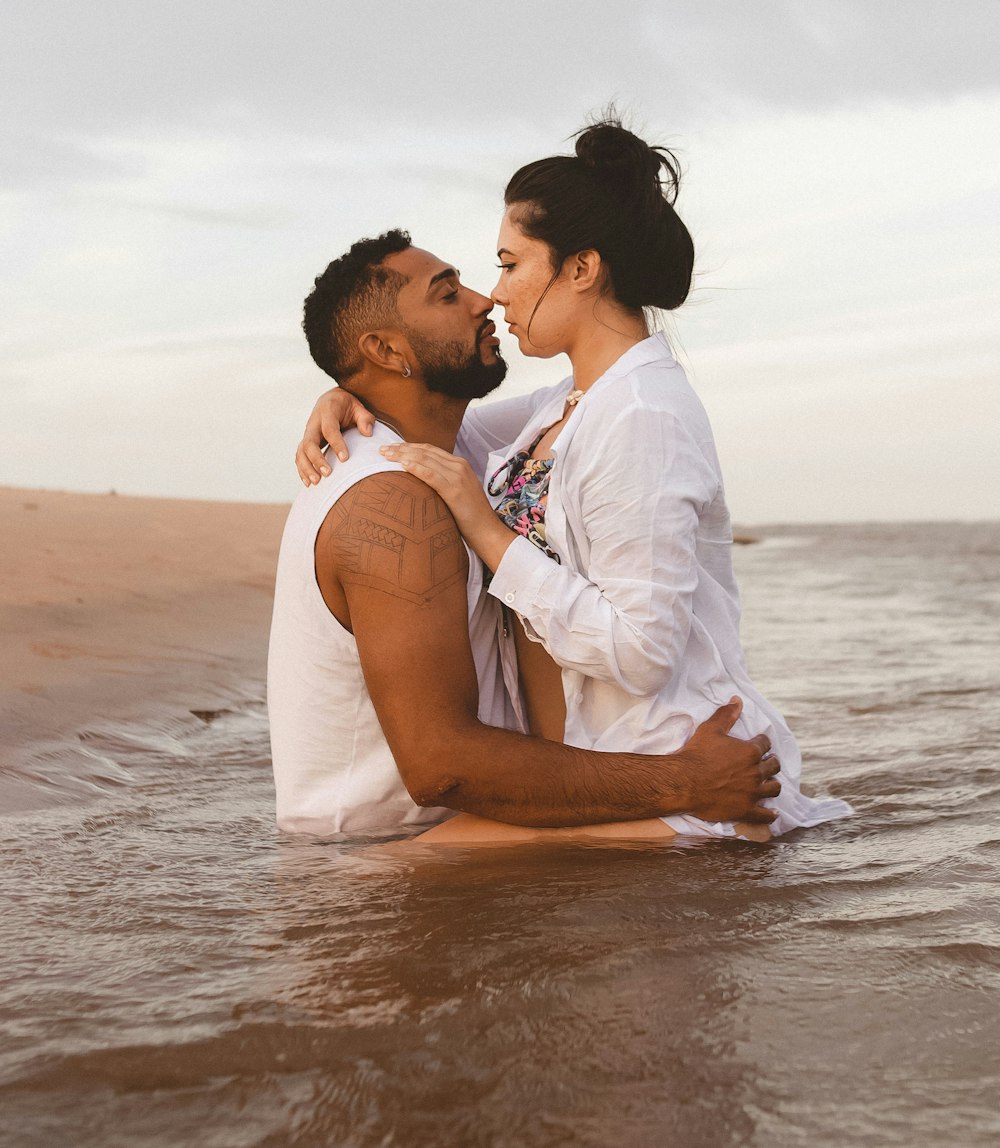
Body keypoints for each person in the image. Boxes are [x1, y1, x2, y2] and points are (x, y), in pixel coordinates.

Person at [297, 119, 852, 844]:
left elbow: (642, 654)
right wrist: (349, 395)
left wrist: (490, 535)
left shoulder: (643, 415)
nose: (495, 294)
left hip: (682, 773)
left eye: (509, 263)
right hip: (612, 771)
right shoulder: (569, 404)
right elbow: (438, 428)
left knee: (371, 886)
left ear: (581, 270)